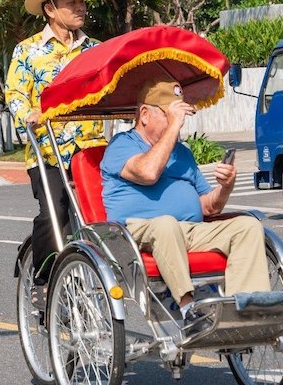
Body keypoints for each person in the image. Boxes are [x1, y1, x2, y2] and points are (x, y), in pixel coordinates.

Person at [100, 79, 270, 330]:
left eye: (179, 116)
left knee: (248, 226)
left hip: (189, 230)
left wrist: (225, 187)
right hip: (137, 232)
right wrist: (173, 127)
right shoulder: (122, 145)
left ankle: (244, 314)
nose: (178, 122)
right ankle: (189, 308)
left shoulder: (182, 153)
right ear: (144, 115)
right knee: (166, 225)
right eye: (169, 114)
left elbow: (209, 208)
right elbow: (148, 173)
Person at [4, 0, 105, 290]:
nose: (80, 8)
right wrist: (28, 115)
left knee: (106, 214)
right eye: (71, 2)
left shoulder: (96, 49)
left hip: (92, 149)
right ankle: (43, 282)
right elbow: (15, 94)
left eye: (81, 2)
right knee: (54, 212)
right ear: (50, 8)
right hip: (48, 153)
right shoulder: (27, 51)